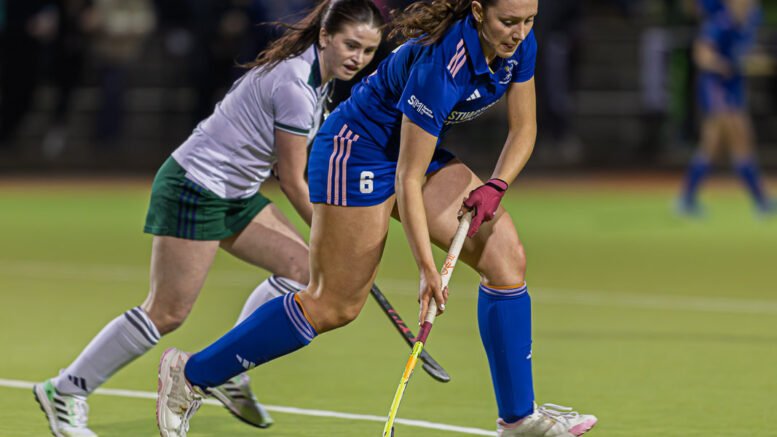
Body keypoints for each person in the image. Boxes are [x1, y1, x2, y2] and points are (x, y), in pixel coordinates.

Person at [156, 0, 599, 436]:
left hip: (411, 151)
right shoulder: (442, 63)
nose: (519, 32)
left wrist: (496, 185)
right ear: (479, 11)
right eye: (509, 21)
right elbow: (407, 178)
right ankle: (190, 374)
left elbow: (524, 128)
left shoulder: (519, 43)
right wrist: (427, 268)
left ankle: (518, 419)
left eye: (529, 20)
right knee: (333, 305)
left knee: (505, 257)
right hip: (356, 152)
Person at [33, 1, 384, 436]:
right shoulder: (295, 83)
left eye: (369, 51)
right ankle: (66, 390)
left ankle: (228, 368)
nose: (358, 58)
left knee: (303, 271)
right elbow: (292, 180)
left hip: (236, 193)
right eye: (351, 45)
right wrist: (334, 238)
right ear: (326, 36)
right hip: (194, 188)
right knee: (167, 311)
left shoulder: (319, 79)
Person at [678, 0, 773, 217]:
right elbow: (701, 54)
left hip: (734, 85)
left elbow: (746, 51)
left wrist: (752, 61)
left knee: (712, 145)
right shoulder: (721, 22)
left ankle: (687, 199)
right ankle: (760, 201)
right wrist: (723, 64)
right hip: (717, 85)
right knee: (739, 136)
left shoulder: (753, 17)